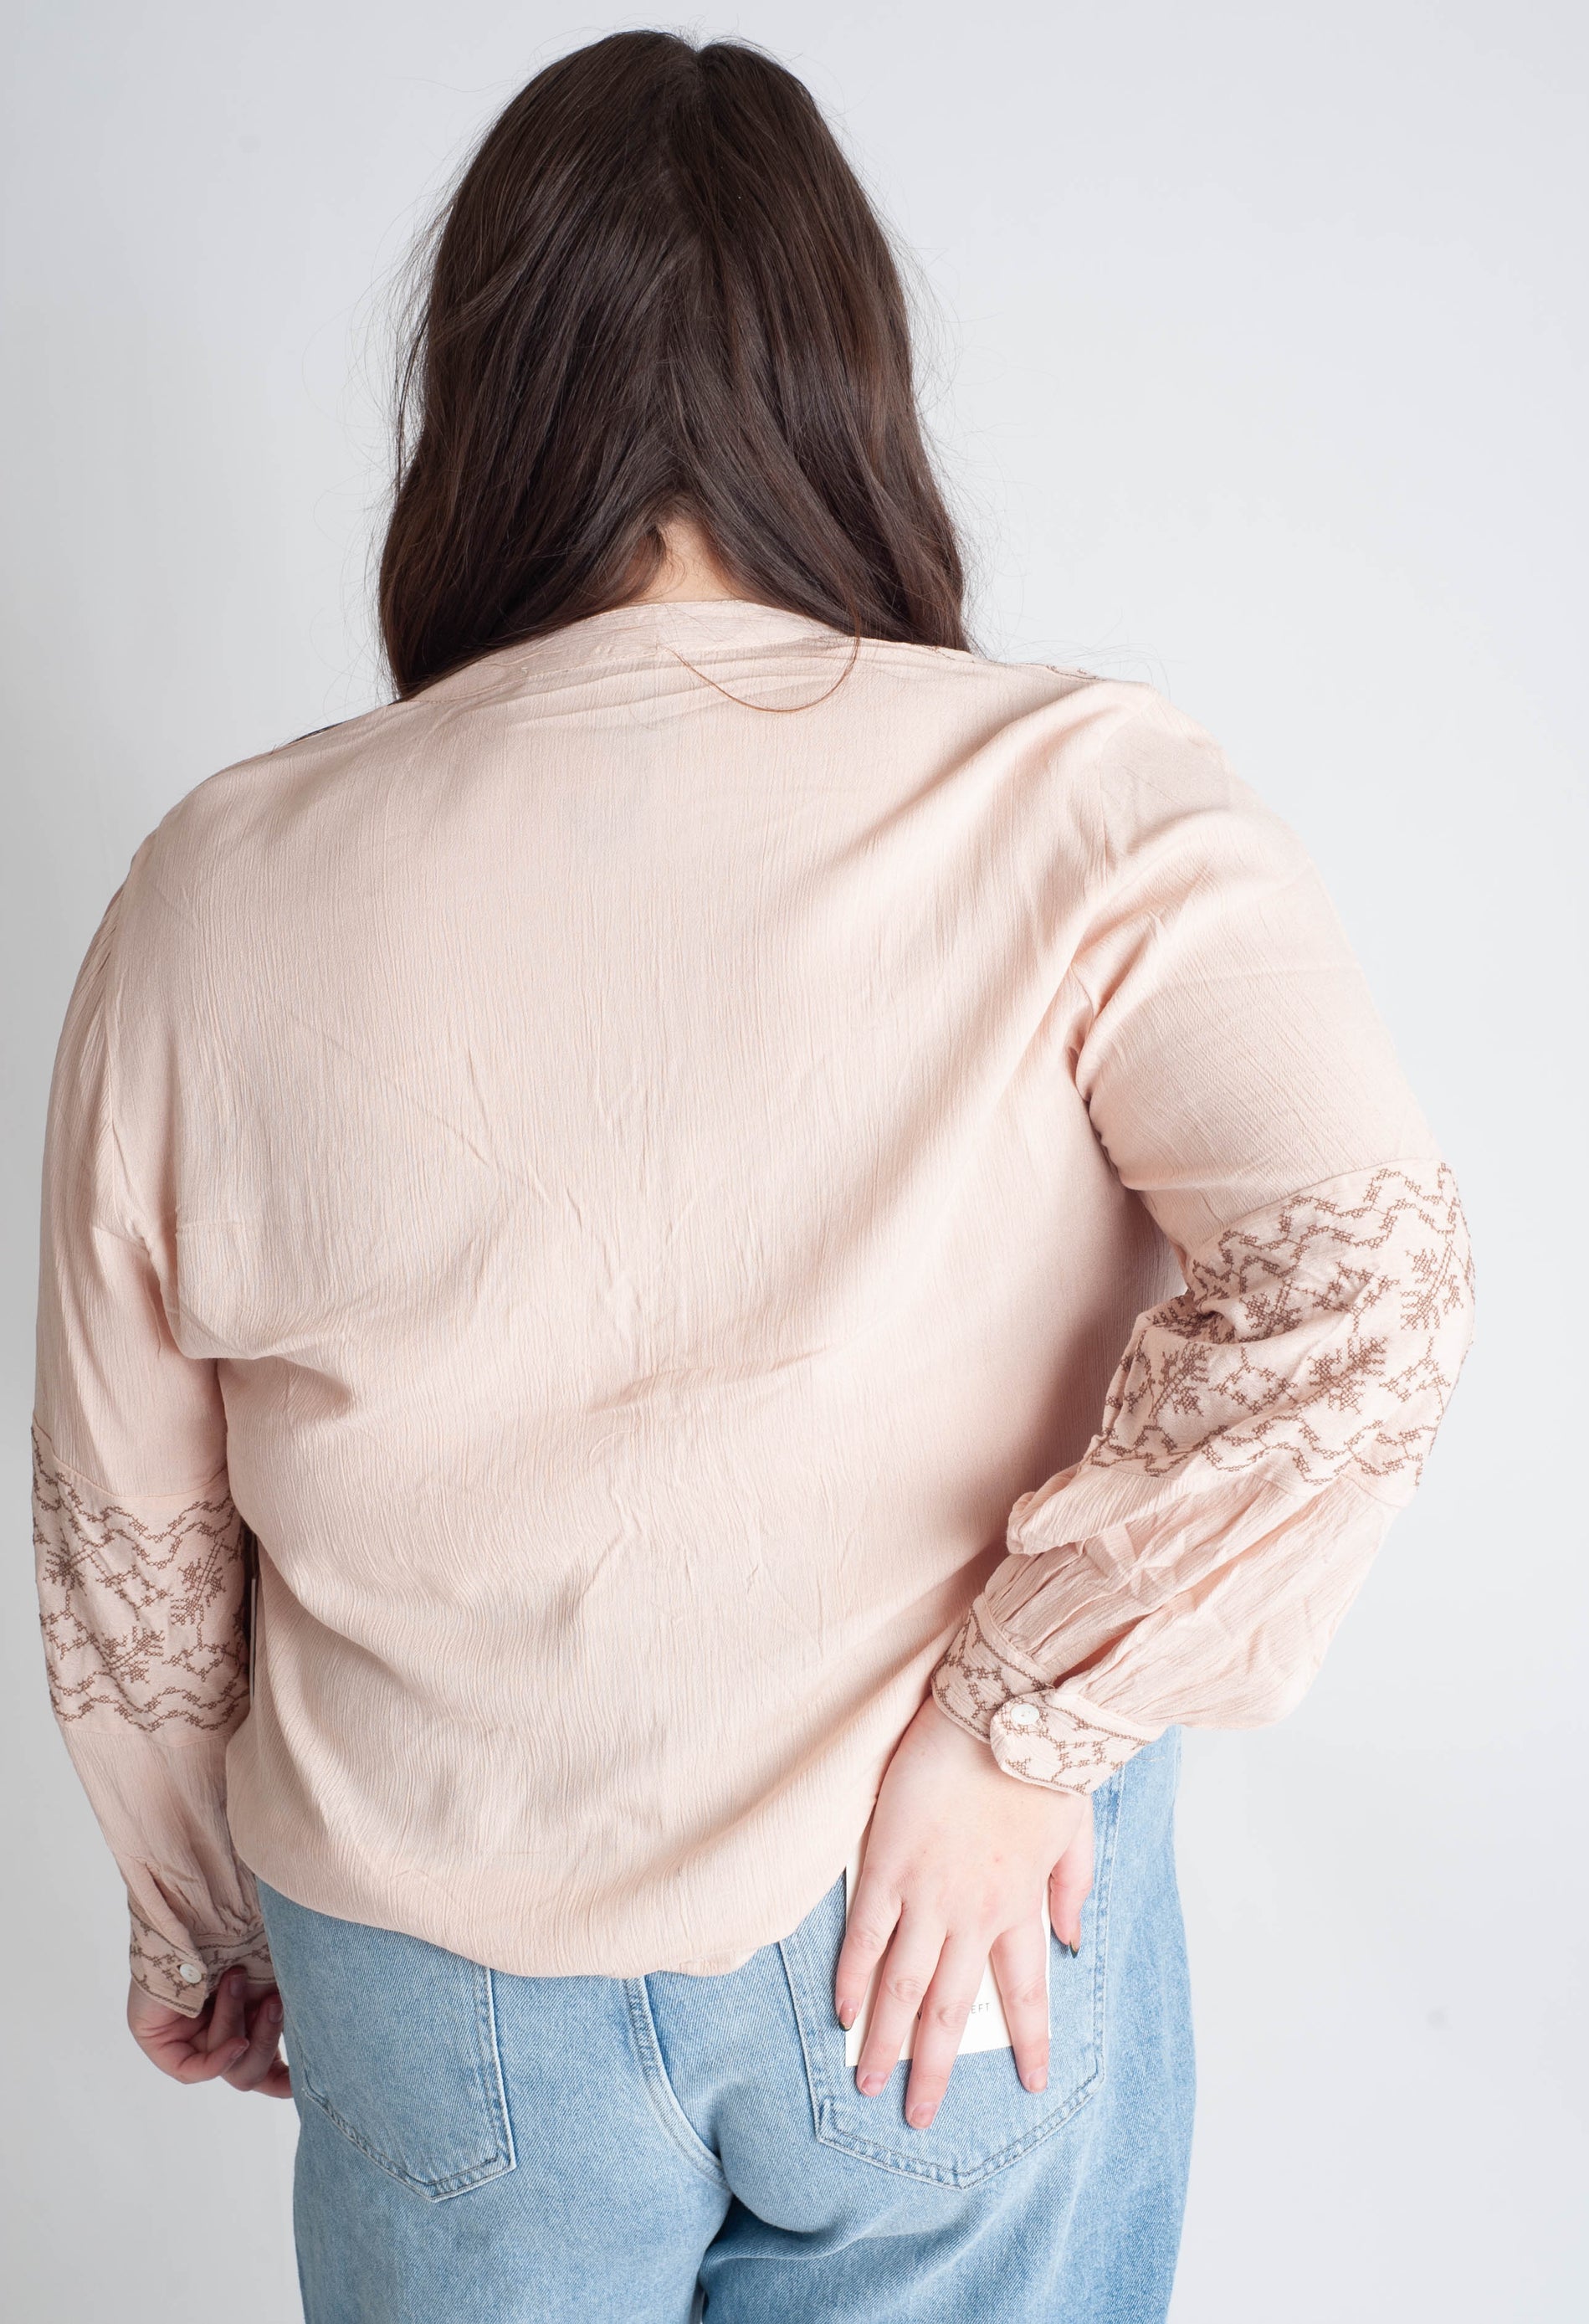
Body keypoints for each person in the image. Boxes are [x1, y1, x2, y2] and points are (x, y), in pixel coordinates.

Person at [29, 28, 1474, 2324]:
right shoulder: (1076, 795)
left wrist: (196, 1910)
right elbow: (1369, 1283)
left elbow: (126, 1509)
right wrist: (1020, 1733)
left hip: (436, 1966)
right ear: (846, 384)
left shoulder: (212, 884)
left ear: (476, 406)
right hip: (943, 1927)